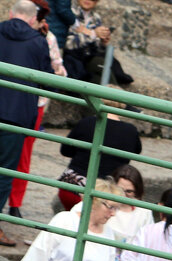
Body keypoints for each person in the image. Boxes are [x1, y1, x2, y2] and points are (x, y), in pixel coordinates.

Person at [6, 0, 66, 222]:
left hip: (32, 104)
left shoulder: (46, 39)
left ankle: (15, 203)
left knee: (23, 156)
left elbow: (60, 72)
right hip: (13, 101)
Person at [0, 0, 53, 247]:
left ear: (11, 13)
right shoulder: (38, 41)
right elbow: (47, 79)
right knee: (4, 173)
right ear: (33, 19)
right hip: (16, 115)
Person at [21, 176, 119, 261]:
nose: (113, 214)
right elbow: (39, 254)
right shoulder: (64, 220)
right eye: (111, 207)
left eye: (116, 208)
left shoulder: (109, 233)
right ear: (94, 202)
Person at [57, 109, 141, 210]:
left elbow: (65, 150)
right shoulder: (131, 131)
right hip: (107, 194)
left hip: (73, 188)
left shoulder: (86, 122)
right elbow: (136, 151)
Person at [61, 0, 132, 84]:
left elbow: (97, 46)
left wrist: (103, 42)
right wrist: (93, 34)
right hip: (73, 59)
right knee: (99, 64)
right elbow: (69, 44)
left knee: (101, 69)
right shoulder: (70, 13)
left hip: (89, 58)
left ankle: (113, 92)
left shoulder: (96, 18)